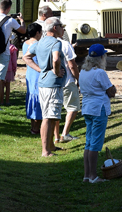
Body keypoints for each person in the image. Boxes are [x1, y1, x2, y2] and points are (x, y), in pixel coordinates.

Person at [79, 44, 116, 183]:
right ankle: (93, 176)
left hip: (88, 107)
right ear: (101, 57)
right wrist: (114, 89)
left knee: (89, 142)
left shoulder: (83, 71)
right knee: (95, 143)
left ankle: (87, 175)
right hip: (98, 108)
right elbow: (110, 91)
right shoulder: (99, 72)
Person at [33, 17, 67, 157]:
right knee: (48, 116)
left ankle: (51, 146)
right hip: (52, 85)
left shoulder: (40, 42)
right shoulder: (55, 43)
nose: (62, 29)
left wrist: (40, 69)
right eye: (61, 26)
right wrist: (56, 70)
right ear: (55, 28)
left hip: (45, 83)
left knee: (52, 116)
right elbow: (55, 58)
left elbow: (27, 56)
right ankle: (45, 151)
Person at [56, 33, 81, 143]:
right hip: (67, 81)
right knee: (72, 108)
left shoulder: (46, 42)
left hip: (52, 82)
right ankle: (65, 133)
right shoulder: (65, 44)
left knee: (55, 110)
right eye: (62, 28)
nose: (64, 30)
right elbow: (72, 65)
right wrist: (78, 78)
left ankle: (56, 136)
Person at [22, 23, 43, 135]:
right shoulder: (37, 44)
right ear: (37, 33)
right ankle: (36, 128)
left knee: (31, 98)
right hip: (37, 73)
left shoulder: (25, 43)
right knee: (37, 100)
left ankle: (33, 126)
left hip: (30, 73)